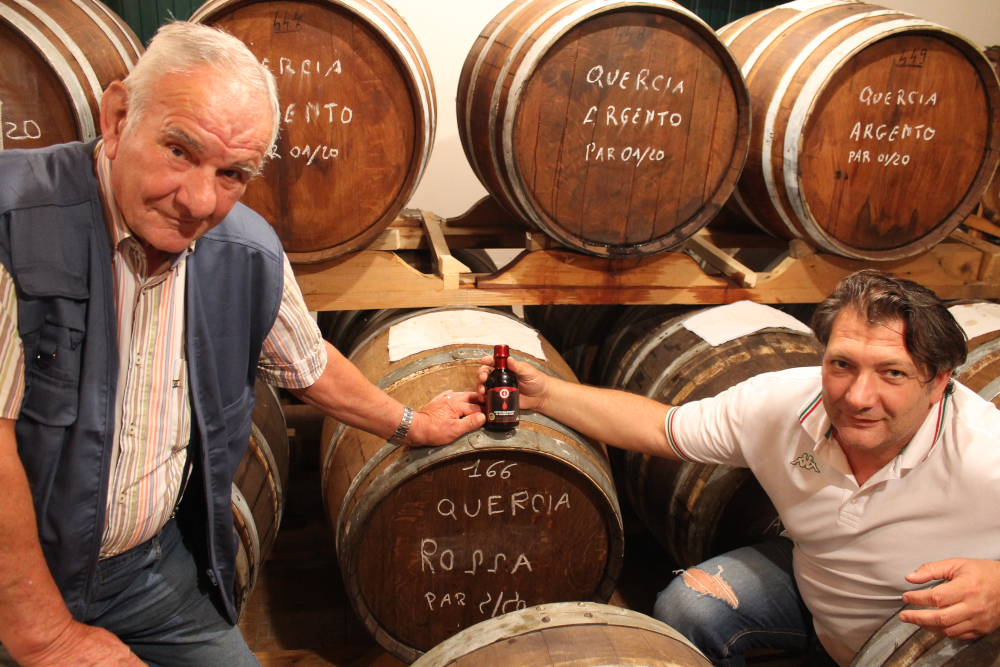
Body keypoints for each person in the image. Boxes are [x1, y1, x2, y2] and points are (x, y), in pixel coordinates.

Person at [0, 21, 484, 667]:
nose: (200, 199)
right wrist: (48, 636)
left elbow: (308, 364)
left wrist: (409, 423)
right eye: (179, 150)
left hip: (143, 575)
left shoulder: (246, 249)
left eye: (232, 172)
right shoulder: (12, 221)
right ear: (116, 116)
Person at [477, 269, 1000, 667]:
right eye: (842, 364)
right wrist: (547, 394)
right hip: (820, 599)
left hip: (931, 642)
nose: (859, 396)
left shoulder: (984, 448)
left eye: (892, 373)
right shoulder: (779, 405)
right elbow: (661, 428)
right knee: (689, 609)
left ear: (938, 382)